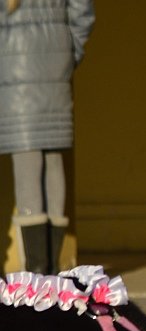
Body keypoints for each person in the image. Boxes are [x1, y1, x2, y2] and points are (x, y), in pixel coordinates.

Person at [0, 0, 94, 274]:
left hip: (10, 70)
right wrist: (67, 52)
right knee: (53, 159)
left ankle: (36, 269)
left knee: (27, 164)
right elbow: (83, 14)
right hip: (54, 65)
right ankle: (50, 269)